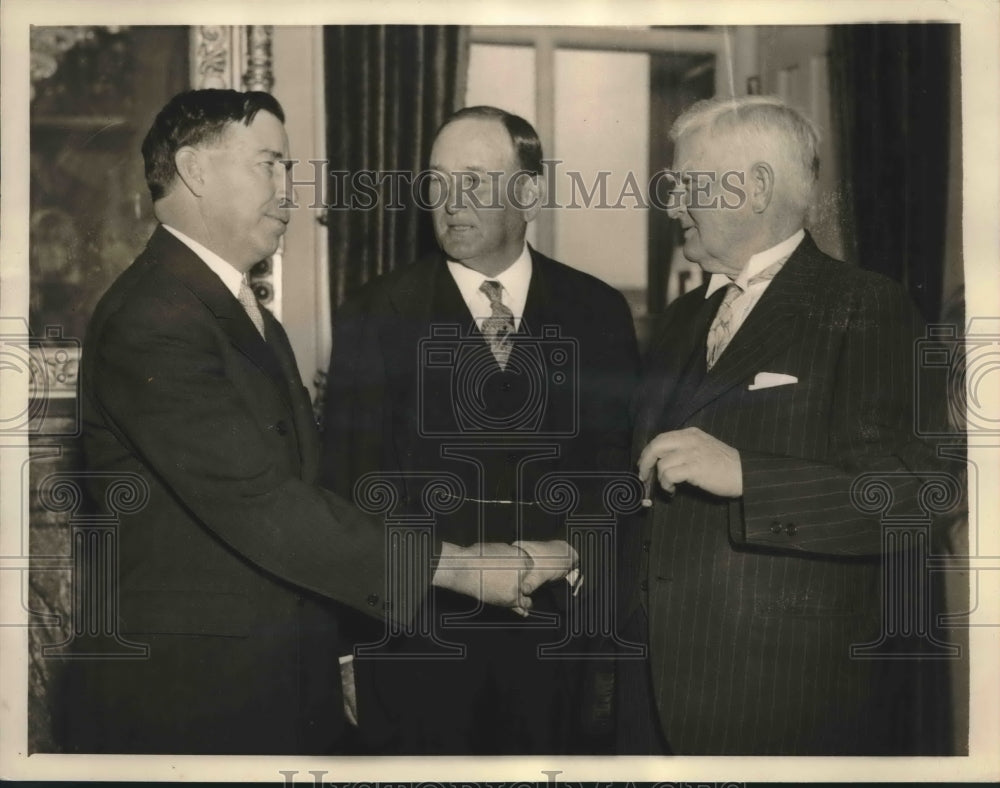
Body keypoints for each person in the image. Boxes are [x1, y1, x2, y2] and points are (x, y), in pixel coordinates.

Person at [57, 89, 554, 755]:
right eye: (270, 163)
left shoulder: (231, 309)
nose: (291, 187)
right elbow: (262, 503)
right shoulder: (156, 318)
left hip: (267, 681)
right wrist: (459, 568)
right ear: (196, 171)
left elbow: (314, 490)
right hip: (192, 700)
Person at [626, 94, 955, 755]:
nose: (670, 205)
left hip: (784, 705)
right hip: (656, 693)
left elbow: (921, 494)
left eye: (686, 184)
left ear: (753, 189)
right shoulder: (681, 321)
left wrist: (748, 476)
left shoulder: (865, 306)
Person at [321, 105, 640, 754]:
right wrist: (347, 655)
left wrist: (571, 552)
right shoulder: (375, 314)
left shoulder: (598, 312)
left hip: (556, 647)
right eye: (437, 181)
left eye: (472, 180)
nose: (448, 201)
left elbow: (616, 472)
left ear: (528, 193)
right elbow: (347, 493)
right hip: (413, 645)